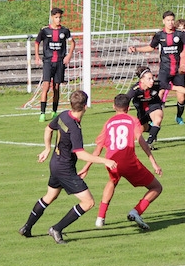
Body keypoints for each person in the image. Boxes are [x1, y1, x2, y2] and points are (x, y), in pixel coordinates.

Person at [18, 90, 116, 244]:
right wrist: (105, 161)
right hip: (65, 169)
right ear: (85, 106)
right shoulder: (74, 128)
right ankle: (56, 229)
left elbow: (48, 129)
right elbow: (80, 154)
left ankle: (26, 227)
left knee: (50, 196)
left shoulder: (64, 115)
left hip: (55, 163)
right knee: (88, 202)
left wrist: (47, 148)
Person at [82, 93, 163, 231]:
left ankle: (100, 218)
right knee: (156, 187)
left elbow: (98, 149)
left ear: (114, 106)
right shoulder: (132, 120)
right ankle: (136, 211)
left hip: (111, 161)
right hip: (129, 162)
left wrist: (86, 167)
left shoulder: (108, 123)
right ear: (128, 108)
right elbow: (141, 141)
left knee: (112, 181)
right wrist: (153, 162)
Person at [129, 11, 185, 125]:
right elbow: (150, 47)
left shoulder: (180, 34)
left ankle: (179, 117)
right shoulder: (159, 35)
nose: (170, 22)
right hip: (164, 70)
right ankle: (154, 118)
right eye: (168, 20)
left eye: (172, 20)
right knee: (159, 93)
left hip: (178, 70)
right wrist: (136, 49)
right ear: (163, 21)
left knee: (181, 98)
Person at [126, 66, 185, 147]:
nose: (152, 81)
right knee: (142, 128)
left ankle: (150, 143)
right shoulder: (135, 89)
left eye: (152, 78)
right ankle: (153, 130)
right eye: (149, 79)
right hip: (142, 110)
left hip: (154, 105)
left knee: (157, 119)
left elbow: (175, 87)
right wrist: (125, 107)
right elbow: (125, 99)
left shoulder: (157, 84)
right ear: (142, 80)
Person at [34, 7, 75, 121]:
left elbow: (72, 43)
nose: (58, 20)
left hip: (60, 62)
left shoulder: (65, 31)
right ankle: (42, 113)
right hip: (48, 61)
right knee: (46, 86)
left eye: (60, 17)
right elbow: (37, 42)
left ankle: (54, 111)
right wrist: (37, 56)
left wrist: (69, 55)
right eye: (56, 17)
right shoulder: (45, 30)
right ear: (52, 17)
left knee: (56, 87)